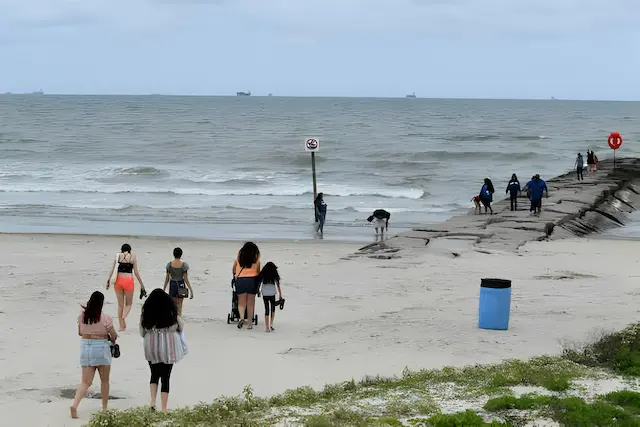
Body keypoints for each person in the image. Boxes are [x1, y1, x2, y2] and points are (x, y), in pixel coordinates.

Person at [70, 291, 118, 419]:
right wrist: (110, 338)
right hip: (101, 348)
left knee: (85, 382)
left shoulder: (82, 317)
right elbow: (114, 335)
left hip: (85, 347)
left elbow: (80, 333)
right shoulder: (106, 318)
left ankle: (74, 405)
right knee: (105, 381)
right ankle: (104, 408)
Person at [140, 289, 186, 413]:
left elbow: (142, 332)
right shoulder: (172, 315)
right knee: (166, 377)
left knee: (154, 374)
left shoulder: (146, 315)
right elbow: (181, 327)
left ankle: (153, 402)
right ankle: (164, 409)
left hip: (151, 347)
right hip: (168, 347)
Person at [106, 243, 146, 331]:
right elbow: (136, 272)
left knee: (120, 305)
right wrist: (142, 285)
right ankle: (123, 317)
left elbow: (112, 270)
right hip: (128, 281)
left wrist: (108, 280)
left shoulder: (118, 256)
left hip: (118, 281)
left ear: (121, 249)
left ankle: (121, 326)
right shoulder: (133, 256)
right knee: (129, 304)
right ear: (129, 250)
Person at [232, 242, 261, 330]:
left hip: (240, 280)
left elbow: (233, 270)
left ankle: (241, 318)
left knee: (241, 301)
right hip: (252, 280)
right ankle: (249, 324)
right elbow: (258, 272)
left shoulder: (238, 258)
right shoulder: (256, 259)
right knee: (250, 302)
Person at [163, 247, 194, 316]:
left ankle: (174, 320)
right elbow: (186, 279)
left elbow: (167, 278)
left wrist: (164, 289)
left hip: (173, 284)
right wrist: (191, 290)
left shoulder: (169, 265)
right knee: (180, 305)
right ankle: (179, 321)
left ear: (173, 254)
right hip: (181, 284)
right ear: (181, 254)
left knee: (173, 305)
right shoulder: (184, 265)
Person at [258, 262, 283, 333]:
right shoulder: (274, 274)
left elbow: (259, 283)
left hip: (265, 293)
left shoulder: (263, 274)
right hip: (272, 293)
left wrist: (258, 291)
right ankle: (271, 324)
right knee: (273, 309)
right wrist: (280, 294)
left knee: (266, 309)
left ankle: (267, 327)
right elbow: (278, 285)